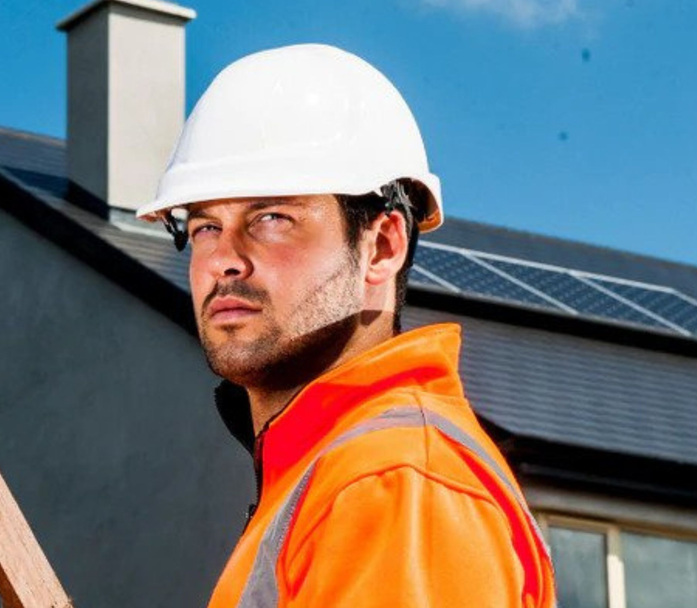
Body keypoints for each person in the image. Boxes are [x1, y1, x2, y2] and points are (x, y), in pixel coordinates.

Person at [137, 44, 556, 608]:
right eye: (206, 225)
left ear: (382, 247)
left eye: (272, 218)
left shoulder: (393, 481)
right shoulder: (327, 474)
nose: (224, 259)